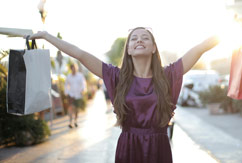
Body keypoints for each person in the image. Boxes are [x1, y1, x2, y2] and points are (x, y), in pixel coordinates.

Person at [26, 27, 219, 163]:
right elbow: (80, 54)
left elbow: (200, 48)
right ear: (128, 49)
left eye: (145, 37)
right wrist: (47, 36)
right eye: (134, 38)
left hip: (159, 147)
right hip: (129, 146)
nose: (139, 40)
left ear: (153, 48)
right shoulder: (116, 77)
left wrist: (233, 31)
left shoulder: (168, 75)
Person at [64, 63, 86, 128]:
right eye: (72, 68)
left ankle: (75, 121)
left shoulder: (80, 76)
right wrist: (67, 92)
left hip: (78, 95)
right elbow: (66, 85)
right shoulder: (68, 76)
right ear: (71, 69)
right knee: (71, 108)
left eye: (75, 68)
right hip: (71, 95)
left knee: (76, 109)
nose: (74, 69)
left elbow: (83, 84)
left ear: (76, 68)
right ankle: (70, 122)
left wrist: (83, 90)